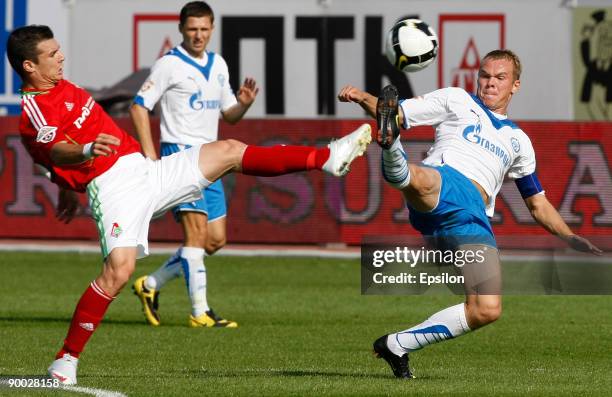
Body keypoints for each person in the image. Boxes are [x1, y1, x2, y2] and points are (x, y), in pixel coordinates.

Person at [8, 24, 371, 385]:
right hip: (113, 187)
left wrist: (66, 183)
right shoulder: (34, 108)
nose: (62, 57)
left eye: (59, 50)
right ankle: (65, 362)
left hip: (145, 171)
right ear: (29, 66)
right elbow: (54, 149)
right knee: (119, 272)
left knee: (228, 150)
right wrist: (83, 155)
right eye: (52, 54)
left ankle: (327, 156)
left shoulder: (61, 85)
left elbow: (51, 155)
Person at [337, 49, 602, 379]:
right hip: (447, 183)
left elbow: (537, 203)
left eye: (499, 77)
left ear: (515, 85)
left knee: (486, 309)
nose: (490, 83)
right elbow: (398, 111)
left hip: (471, 219)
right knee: (426, 179)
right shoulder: (457, 100)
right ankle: (391, 146)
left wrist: (570, 236)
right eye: (485, 75)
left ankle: (396, 344)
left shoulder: (519, 141)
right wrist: (362, 96)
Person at [130, 1, 255, 329]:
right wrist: (150, 156)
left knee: (214, 241)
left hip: (211, 158)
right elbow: (139, 107)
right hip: (179, 156)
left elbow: (229, 115)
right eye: (192, 29)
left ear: (212, 29)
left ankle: (151, 284)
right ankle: (200, 312)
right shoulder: (168, 64)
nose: (198, 35)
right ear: (181, 29)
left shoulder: (218, 65)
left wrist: (242, 104)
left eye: (204, 29)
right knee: (196, 235)